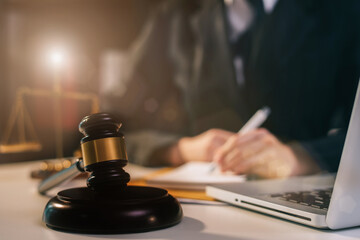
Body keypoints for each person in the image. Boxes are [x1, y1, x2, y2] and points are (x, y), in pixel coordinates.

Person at [101, 0, 360, 178]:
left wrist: (302, 157)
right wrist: (179, 150)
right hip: (199, 208)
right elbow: (110, 128)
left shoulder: (344, 13)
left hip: (295, 209)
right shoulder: (175, 16)